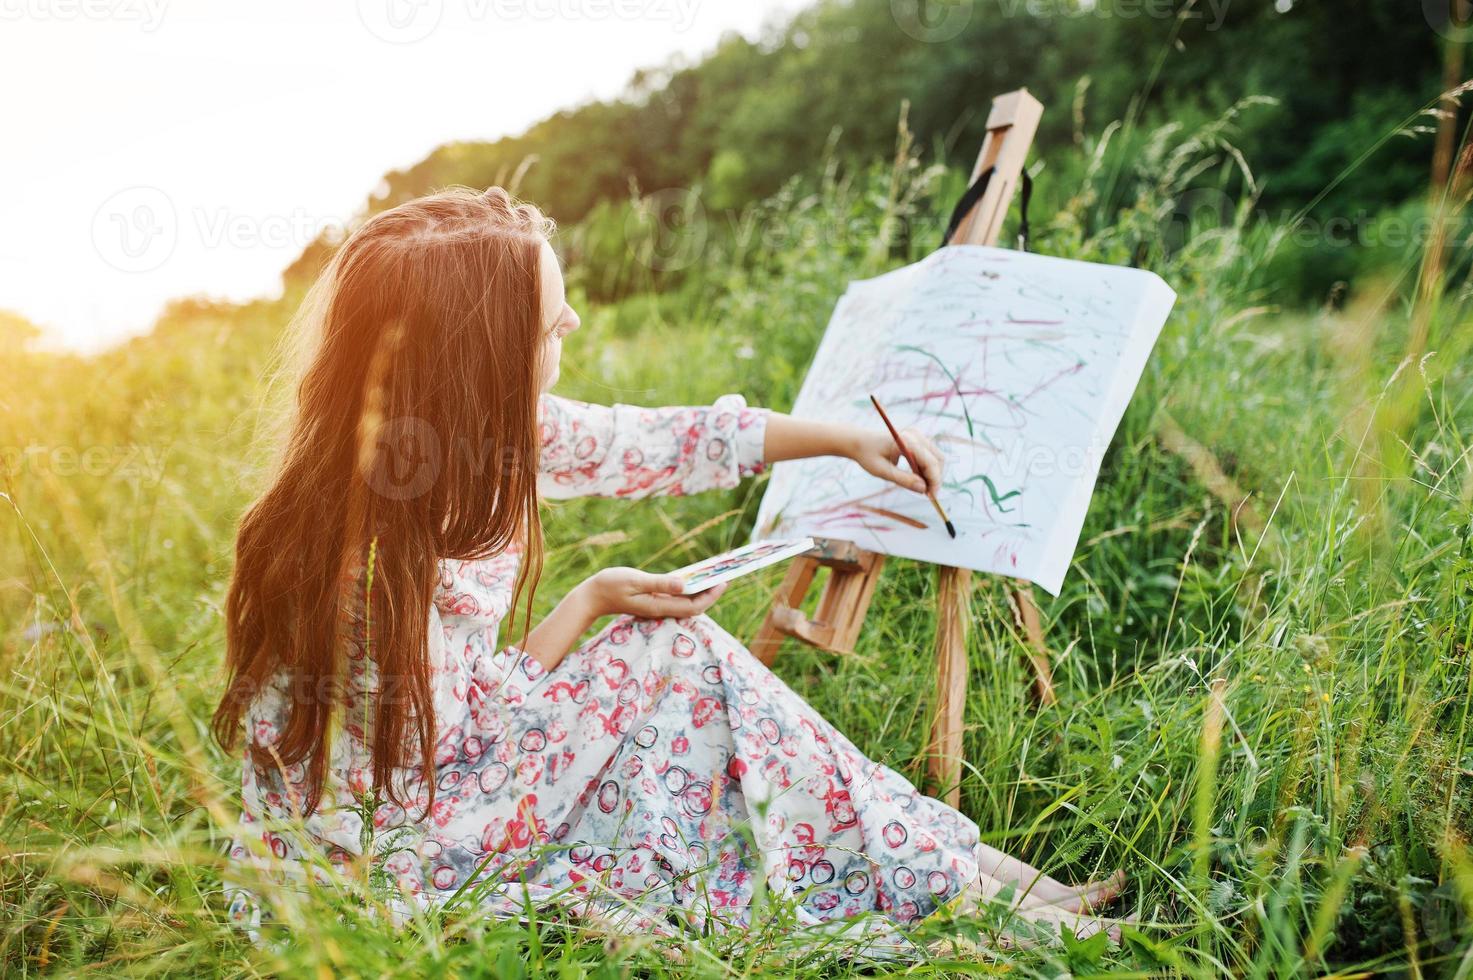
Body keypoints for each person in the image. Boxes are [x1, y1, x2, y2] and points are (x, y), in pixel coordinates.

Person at [213, 186, 1123, 956]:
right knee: (676, 655)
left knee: (671, 651)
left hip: (434, 797)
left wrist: (843, 439)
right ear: (473, 359)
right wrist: (591, 605)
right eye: (546, 320)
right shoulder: (364, 567)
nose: (569, 321)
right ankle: (975, 890)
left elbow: (655, 441)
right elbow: (415, 795)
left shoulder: (474, 440)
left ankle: (972, 875)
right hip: (391, 864)